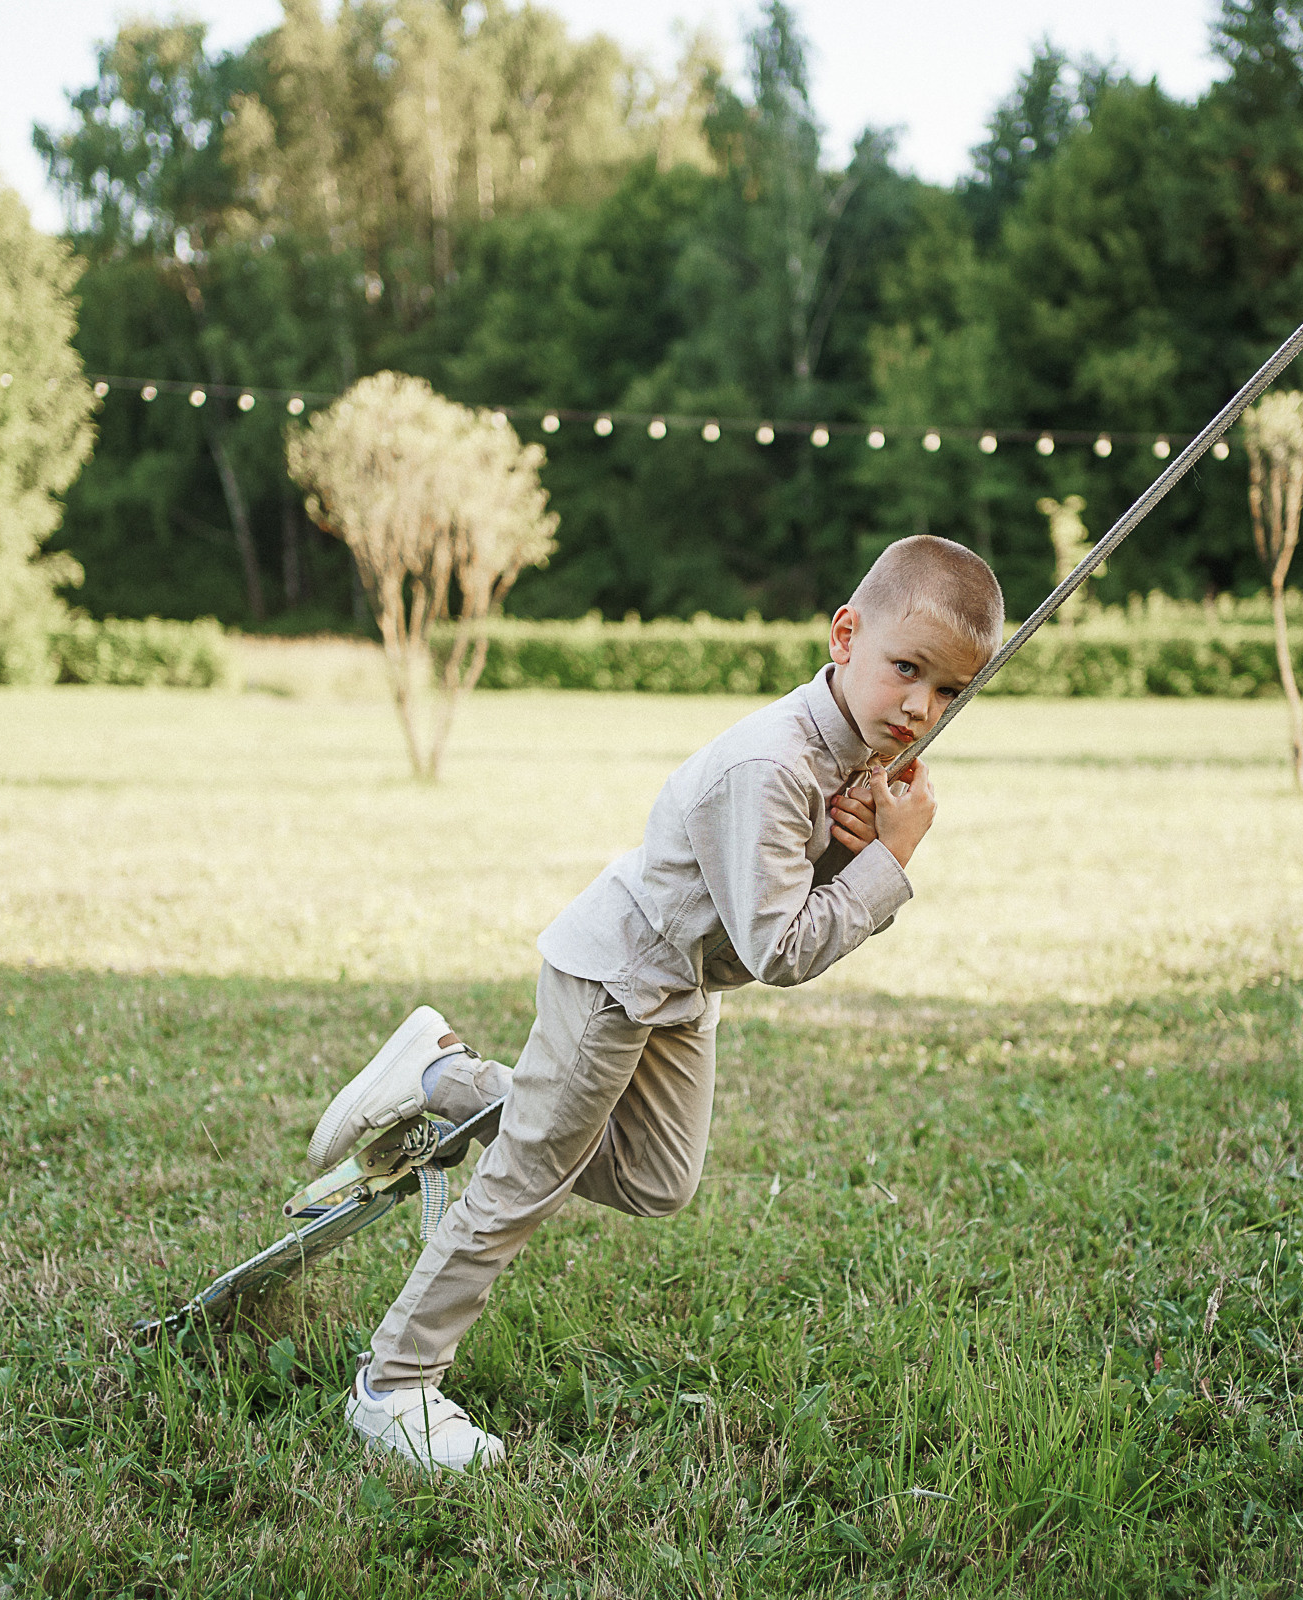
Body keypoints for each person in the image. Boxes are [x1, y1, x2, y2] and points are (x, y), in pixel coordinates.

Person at [306, 534, 1004, 1472]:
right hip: (618, 980)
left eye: (950, 691)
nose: (922, 706)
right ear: (846, 635)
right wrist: (888, 861)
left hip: (681, 985)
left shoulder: (852, 755)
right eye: (907, 669)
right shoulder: (772, 766)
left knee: (656, 1179)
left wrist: (849, 847)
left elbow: (780, 900)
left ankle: (445, 1075)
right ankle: (392, 1386)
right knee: (522, 1182)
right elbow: (783, 949)